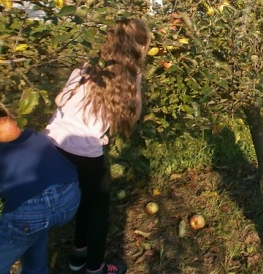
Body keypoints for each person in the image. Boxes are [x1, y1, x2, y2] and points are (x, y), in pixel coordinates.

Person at [45, 18, 151, 274]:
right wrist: (137, 78)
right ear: (138, 49)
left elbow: (60, 99)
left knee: (85, 199)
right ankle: (96, 267)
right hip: (84, 150)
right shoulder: (125, 78)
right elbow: (132, 117)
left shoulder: (87, 67)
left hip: (53, 145)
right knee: (98, 208)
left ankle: (78, 256)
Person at [1, 109, 80, 274]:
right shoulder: (33, 135)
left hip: (30, 212)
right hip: (69, 196)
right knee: (33, 231)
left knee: (27, 227)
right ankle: (36, 269)